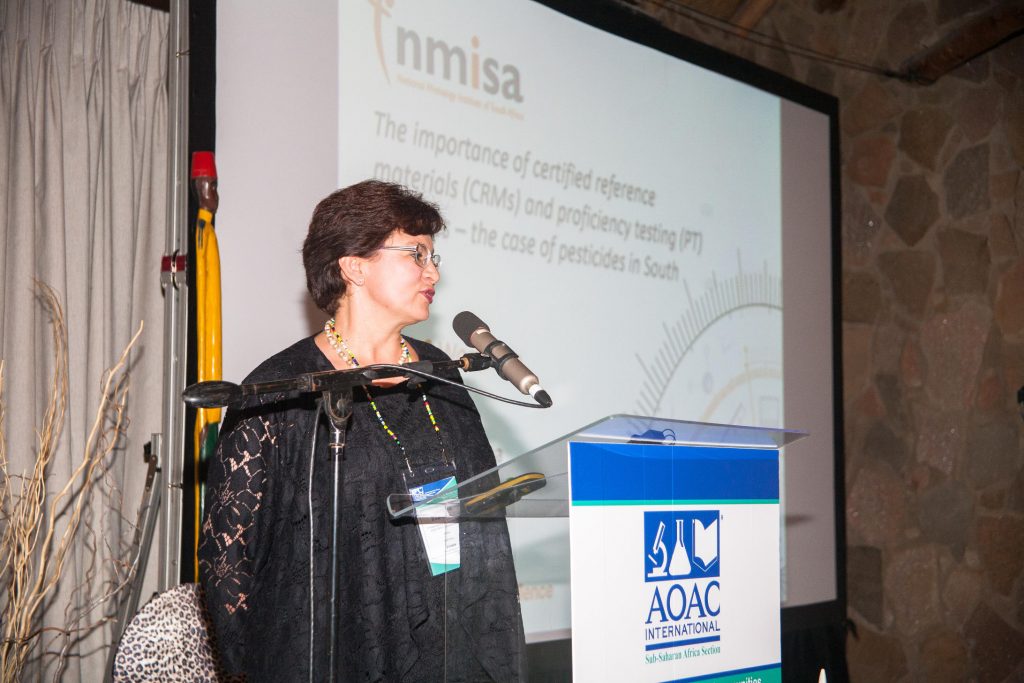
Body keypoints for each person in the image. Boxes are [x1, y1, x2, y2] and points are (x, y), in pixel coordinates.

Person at [197, 180, 526, 682]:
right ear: (354, 267)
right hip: (336, 657)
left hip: (449, 652)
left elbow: (482, 515)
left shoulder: (441, 372)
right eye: (416, 254)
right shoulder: (281, 390)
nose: (433, 271)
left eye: (433, 256)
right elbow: (228, 561)